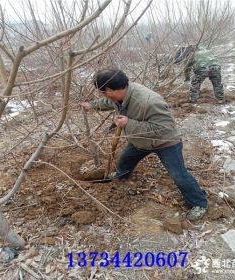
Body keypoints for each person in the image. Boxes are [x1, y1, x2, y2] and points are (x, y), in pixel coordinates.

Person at [79, 69, 207, 221]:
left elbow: (163, 128)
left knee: (179, 175)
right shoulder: (121, 94)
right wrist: (92, 105)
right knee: (124, 161)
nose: (103, 96)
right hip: (140, 141)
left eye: (103, 92)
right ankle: (121, 177)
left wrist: (128, 123)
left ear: (110, 90)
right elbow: (109, 101)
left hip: (165, 142)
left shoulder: (149, 101)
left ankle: (199, 204)